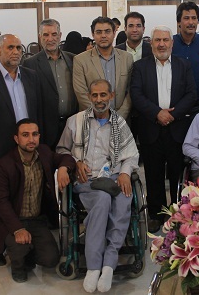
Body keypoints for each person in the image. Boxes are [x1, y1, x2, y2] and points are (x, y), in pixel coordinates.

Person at [57, 79, 139, 293]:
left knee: (124, 198)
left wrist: (124, 172)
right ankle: (94, 266)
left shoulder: (120, 123)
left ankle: (109, 264)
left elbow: (132, 155)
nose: (99, 99)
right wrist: (75, 163)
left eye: (103, 95)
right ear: (89, 97)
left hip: (113, 177)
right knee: (102, 200)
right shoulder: (75, 121)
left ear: (111, 96)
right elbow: (62, 150)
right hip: (87, 180)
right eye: (95, 95)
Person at [0, 33, 44, 266]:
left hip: (28, 149)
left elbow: (38, 112)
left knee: (25, 195)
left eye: (18, 48)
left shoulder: (31, 77)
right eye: (10, 47)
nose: (15, 52)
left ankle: (25, 242)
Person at [130, 26, 196, 232]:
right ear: (151, 43)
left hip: (177, 129)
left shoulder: (184, 65)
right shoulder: (140, 67)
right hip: (151, 128)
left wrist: (172, 115)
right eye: (157, 40)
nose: (161, 44)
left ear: (172, 43)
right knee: (153, 174)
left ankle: (178, 214)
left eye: (165, 40)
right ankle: (156, 214)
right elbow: (136, 95)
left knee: (178, 174)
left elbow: (191, 94)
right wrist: (157, 113)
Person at [0, 119, 76, 283]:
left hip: (37, 220)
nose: (31, 139)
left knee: (51, 259)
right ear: (16, 139)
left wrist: (63, 169)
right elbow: (0, 202)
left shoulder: (44, 153)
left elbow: (67, 158)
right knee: (19, 250)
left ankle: (28, 252)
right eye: (25, 135)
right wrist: (17, 229)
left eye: (35, 134)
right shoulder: (4, 164)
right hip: (14, 220)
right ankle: (18, 263)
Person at [22, 19, 78, 149]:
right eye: (46, 35)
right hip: (46, 126)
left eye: (54, 34)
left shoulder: (73, 59)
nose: (50, 39)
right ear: (40, 37)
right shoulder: (30, 63)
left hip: (72, 123)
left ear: (60, 35)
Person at [73, 16, 133, 120]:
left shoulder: (127, 58)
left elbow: (130, 91)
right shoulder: (80, 60)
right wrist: (101, 116)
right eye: (99, 32)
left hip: (121, 120)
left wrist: (118, 117)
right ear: (93, 34)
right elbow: (81, 93)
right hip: (93, 120)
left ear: (114, 33)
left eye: (107, 31)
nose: (103, 36)